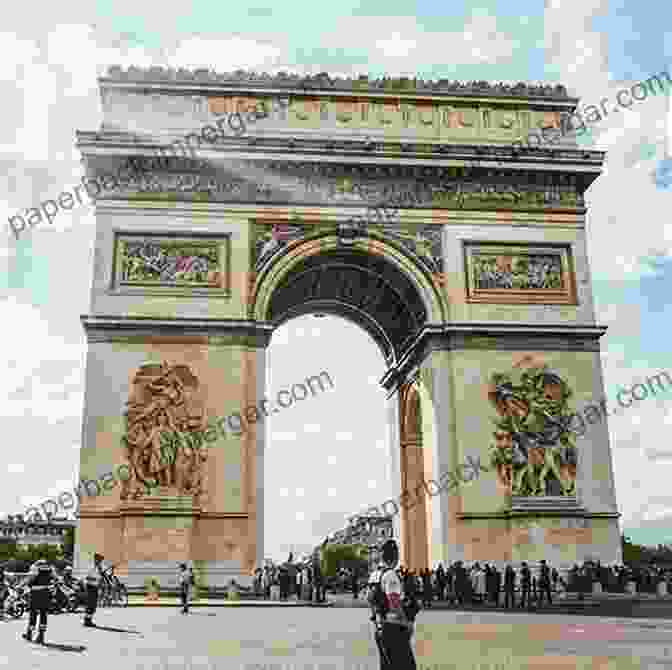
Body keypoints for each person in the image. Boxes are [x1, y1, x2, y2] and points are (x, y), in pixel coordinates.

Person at [367, 540, 417, 669]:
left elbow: (369, 598)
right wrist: (407, 623)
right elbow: (394, 602)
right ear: (395, 555)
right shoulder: (390, 575)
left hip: (380, 626)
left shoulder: (374, 574)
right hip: (394, 628)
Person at [21, 559, 56, 644]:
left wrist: (21, 585)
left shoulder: (35, 567)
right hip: (46, 593)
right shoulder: (50, 568)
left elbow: (30, 579)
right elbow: (55, 578)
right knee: (43, 614)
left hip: (36, 593)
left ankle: (29, 634)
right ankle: (41, 636)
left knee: (33, 614)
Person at [83, 553, 103, 627]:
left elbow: (100, 576)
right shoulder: (90, 567)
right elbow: (87, 577)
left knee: (93, 604)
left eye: (100, 560)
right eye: (99, 560)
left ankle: (89, 619)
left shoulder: (99, 568)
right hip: (90, 586)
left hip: (95, 586)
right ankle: (87, 621)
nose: (100, 561)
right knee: (90, 604)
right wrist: (96, 579)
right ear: (95, 559)